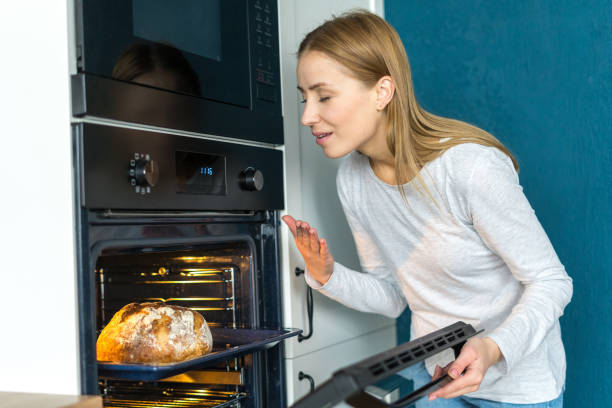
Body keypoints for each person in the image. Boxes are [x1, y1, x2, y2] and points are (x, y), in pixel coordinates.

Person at [282, 9, 572, 407]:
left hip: (516, 389)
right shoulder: (352, 179)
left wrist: (492, 348)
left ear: (382, 91)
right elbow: (394, 296)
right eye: (305, 98)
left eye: (324, 96)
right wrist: (327, 276)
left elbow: (552, 282)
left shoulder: (469, 168)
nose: (307, 116)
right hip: (434, 379)